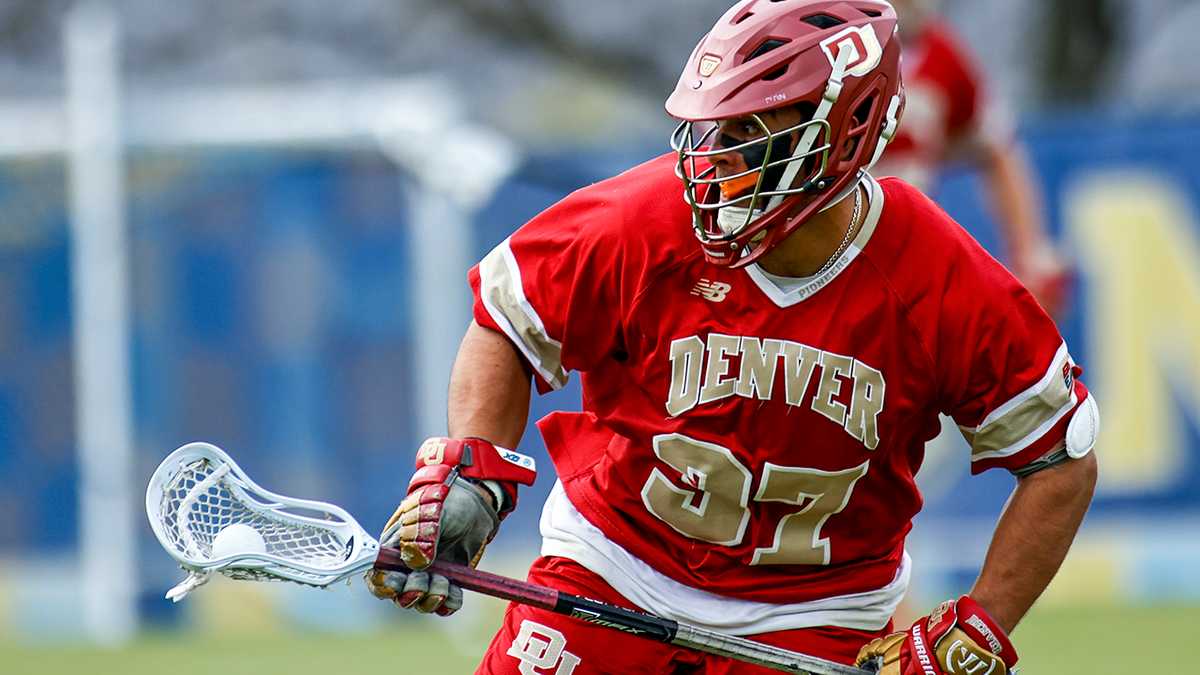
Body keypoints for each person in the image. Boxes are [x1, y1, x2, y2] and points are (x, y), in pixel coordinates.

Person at [365, 1, 1099, 673]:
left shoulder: (936, 276)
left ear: (839, 132)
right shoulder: (648, 217)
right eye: (715, 125)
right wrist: (477, 472)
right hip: (615, 569)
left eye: (750, 131)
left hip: (818, 614)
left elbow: (1062, 457)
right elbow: (510, 318)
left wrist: (979, 626)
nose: (713, 158)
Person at [874, 0, 1070, 316]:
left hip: (903, 269)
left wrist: (1029, 253)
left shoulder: (940, 53)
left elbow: (997, 147)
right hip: (823, 253)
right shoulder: (822, 41)